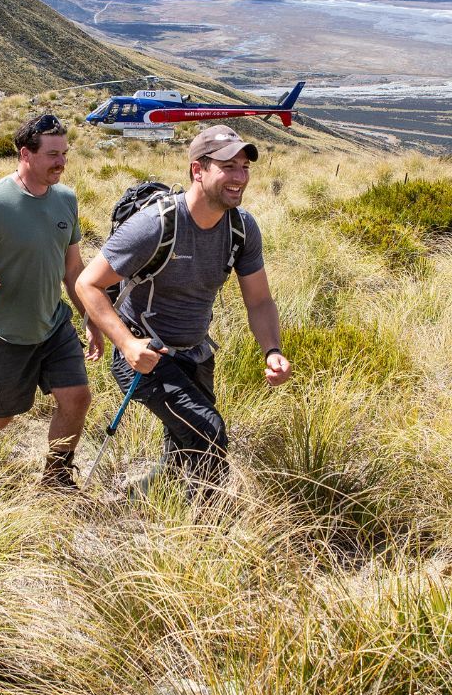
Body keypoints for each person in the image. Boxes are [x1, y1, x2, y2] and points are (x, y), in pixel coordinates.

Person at [77, 125, 291, 497]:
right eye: (228, 167)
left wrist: (272, 350)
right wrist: (127, 346)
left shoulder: (242, 228)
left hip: (196, 351)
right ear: (198, 170)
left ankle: (140, 498)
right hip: (144, 354)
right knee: (208, 433)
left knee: (183, 448)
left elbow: (258, 300)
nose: (240, 178)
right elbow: (87, 284)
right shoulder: (156, 225)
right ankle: (209, 532)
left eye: (244, 167)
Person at [0, 112, 100, 490]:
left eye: (64, 153)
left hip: (53, 324)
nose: (62, 162)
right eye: (52, 154)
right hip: (5, 333)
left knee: (76, 398)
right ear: (25, 154)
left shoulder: (66, 199)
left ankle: (57, 477)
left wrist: (90, 317)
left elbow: (73, 267)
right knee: (0, 416)